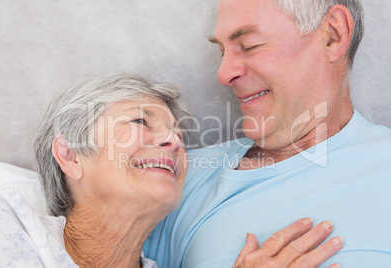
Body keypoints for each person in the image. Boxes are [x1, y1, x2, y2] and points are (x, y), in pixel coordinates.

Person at [0, 72, 340, 267]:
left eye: (178, 134)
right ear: (70, 155)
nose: (173, 142)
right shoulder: (1, 223)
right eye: (141, 121)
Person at [144, 0, 391, 267]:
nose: (224, 74)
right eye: (222, 52)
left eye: (249, 45)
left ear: (333, 35)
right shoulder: (176, 174)